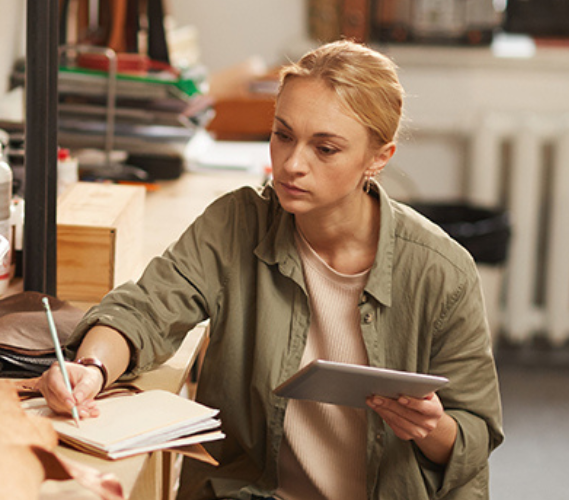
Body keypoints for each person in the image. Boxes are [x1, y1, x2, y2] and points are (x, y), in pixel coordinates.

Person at [37, 40, 504, 499]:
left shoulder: (442, 271)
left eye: (325, 149)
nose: (291, 164)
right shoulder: (236, 224)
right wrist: (91, 369)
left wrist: (431, 427)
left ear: (378, 159)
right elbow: (146, 308)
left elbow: (473, 437)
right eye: (283, 135)